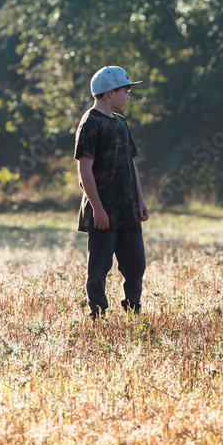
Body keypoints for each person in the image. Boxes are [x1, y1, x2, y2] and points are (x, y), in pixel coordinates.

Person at [74, 66, 150, 319]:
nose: (128, 96)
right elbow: (84, 171)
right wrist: (98, 209)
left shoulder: (121, 123)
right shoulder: (90, 123)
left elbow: (132, 165)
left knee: (136, 264)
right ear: (110, 92)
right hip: (103, 211)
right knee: (100, 268)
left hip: (127, 209)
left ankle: (133, 310)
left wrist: (140, 200)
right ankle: (97, 314)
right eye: (125, 91)